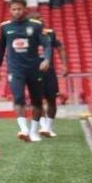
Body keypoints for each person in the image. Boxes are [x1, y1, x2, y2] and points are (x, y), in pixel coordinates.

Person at [0, 0, 52, 142]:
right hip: (15, 69)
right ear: (10, 10)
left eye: (19, 9)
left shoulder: (36, 25)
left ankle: (34, 131)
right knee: (18, 98)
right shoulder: (4, 27)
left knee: (37, 102)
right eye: (14, 9)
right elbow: (0, 49)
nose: (16, 12)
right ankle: (24, 129)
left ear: (25, 9)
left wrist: (46, 59)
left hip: (34, 68)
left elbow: (47, 45)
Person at [27, 8, 65, 138]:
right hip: (33, 72)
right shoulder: (24, 33)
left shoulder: (50, 33)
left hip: (49, 72)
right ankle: (42, 126)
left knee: (51, 99)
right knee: (37, 101)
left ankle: (48, 127)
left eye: (41, 17)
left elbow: (60, 49)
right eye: (38, 18)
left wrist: (65, 65)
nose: (41, 20)